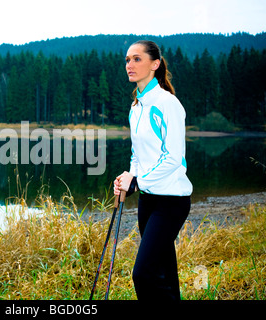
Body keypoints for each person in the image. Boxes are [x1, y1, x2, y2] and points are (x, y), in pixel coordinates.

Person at [113, 40, 193, 301]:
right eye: (127, 59)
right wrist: (128, 177)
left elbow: (173, 159)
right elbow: (138, 154)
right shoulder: (136, 107)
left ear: (155, 64)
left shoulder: (167, 103)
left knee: (143, 274)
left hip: (171, 202)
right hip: (148, 201)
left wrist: (138, 181)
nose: (129, 65)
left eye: (137, 59)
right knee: (164, 274)